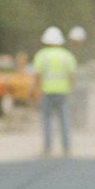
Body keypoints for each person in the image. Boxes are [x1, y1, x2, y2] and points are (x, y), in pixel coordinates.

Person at [33, 26, 78, 158]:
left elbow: (37, 76)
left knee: (46, 120)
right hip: (62, 93)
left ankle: (47, 149)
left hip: (46, 92)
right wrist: (70, 89)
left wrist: (35, 91)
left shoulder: (42, 55)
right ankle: (66, 148)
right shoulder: (67, 55)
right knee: (64, 120)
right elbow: (72, 77)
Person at [67, 27, 89, 130]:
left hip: (83, 84)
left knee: (82, 104)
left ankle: (81, 123)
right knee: (72, 104)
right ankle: (74, 122)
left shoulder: (85, 54)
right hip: (72, 84)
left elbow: (88, 69)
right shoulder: (68, 53)